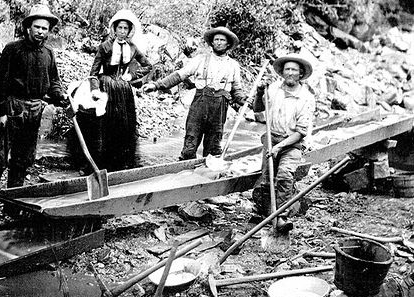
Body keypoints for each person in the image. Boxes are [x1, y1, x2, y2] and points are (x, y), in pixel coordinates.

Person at [0, 4, 69, 207]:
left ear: (49, 31)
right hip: (13, 107)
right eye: (37, 27)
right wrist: (0, 111)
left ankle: (13, 203)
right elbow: (0, 82)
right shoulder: (13, 49)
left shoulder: (48, 53)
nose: (40, 31)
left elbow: (53, 81)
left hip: (35, 110)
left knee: (22, 160)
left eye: (44, 28)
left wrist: (60, 95)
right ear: (28, 27)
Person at [142, 26, 246, 160]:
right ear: (212, 43)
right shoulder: (200, 59)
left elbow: (237, 90)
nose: (219, 42)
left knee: (213, 150)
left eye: (222, 40)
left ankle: (208, 176)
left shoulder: (233, 65)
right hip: (199, 107)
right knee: (189, 147)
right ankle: (184, 176)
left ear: (228, 44)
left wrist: (244, 100)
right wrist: (156, 85)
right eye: (216, 40)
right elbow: (179, 75)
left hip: (218, 111)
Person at [79, 9, 151, 172]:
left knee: (123, 126)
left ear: (130, 30)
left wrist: (132, 76)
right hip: (106, 88)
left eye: (126, 28)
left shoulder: (133, 48)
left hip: (123, 90)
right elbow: (93, 72)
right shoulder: (105, 46)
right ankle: (96, 165)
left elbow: (148, 66)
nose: (123, 32)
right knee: (102, 125)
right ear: (114, 28)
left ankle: (118, 164)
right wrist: (95, 90)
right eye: (120, 28)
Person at [251, 53, 315, 233]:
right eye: (287, 69)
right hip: (272, 137)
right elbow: (258, 111)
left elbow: (301, 132)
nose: (290, 73)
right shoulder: (272, 89)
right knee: (266, 179)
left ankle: (281, 217)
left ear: (300, 74)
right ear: (282, 72)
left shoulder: (306, 98)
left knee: (285, 175)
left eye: (294, 70)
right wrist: (258, 93)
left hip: (293, 142)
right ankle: (265, 214)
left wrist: (279, 147)